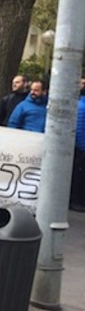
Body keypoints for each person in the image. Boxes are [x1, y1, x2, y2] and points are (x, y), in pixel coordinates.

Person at [71, 79, 85, 212]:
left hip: (80, 147)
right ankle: (77, 201)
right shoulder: (81, 106)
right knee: (79, 176)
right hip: (81, 148)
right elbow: (80, 129)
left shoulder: (79, 104)